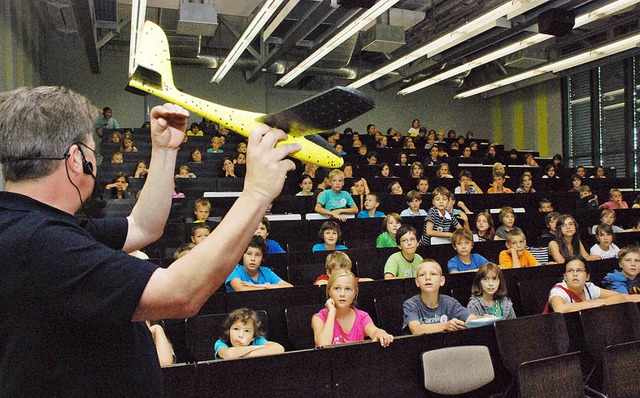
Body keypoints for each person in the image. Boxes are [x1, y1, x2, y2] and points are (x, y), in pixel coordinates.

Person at [0, 86, 300, 396]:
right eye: (94, 152)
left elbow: (143, 227)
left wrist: (165, 150)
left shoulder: (30, 226)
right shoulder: (41, 243)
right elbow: (181, 294)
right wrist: (257, 195)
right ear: (77, 159)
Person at [312, 269, 394, 347]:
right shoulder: (319, 318)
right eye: (337, 288)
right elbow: (323, 345)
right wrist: (331, 313)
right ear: (329, 292)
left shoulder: (362, 317)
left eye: (348, 289)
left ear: (355, 293)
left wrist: (381, 333)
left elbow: (375, 331)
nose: (342, 294)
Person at [403, 259, 481, 334]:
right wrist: (445, 325)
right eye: (422, 275)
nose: (427, 278)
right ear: (417, 282)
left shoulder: (450, 302)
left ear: (442, 281)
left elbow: (472, 319)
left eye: (433, 274)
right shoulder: (411, 304)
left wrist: (489, 318)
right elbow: (416, 329)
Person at [546, 256, 625, 313]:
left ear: (587, 276)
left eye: (579, 271)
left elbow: (619, 297)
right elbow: (560, 309)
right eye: (570, 271)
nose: (575, 274)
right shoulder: (558, 290)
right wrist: (591, 304)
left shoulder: (589, 287)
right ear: (565, 277)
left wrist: (601, 302)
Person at [225, 236, 293, 292]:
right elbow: (241, 289)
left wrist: (264, 286)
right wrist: (269, 288)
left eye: (257, 255)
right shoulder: (235, 270)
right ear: (242, 255)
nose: (253, 259)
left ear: (262, 257)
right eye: (249, 254)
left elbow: (289, 287)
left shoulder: (266, 271)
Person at [214, 308, 285, 360]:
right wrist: (256, 348)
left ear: (253, 336)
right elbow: (229, 355)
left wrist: (242, 356)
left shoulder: (257, 341)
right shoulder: (221, 343)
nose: (240, 335)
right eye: (236, 329)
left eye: (247, 331)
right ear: (229, 331)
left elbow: (279, 349)